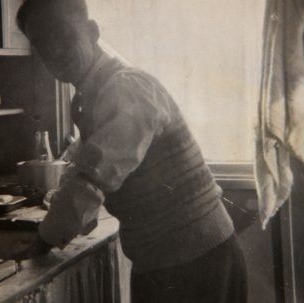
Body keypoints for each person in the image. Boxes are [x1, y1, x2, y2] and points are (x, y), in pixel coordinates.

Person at [15, 0, 248, 302]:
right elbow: (83, 170)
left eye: (62, 34)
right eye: (42, 44)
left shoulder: (124, 89)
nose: (55, 51)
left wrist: (42, 242)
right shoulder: (96, 93)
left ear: (92, 31)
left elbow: (88, 184)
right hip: (173, 262)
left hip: (195, 263)